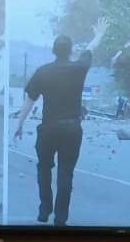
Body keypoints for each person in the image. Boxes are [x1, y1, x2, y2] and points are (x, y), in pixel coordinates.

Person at [14, 17, 109, 224]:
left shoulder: (43, 71)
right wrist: (99, 34)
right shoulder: (78, 68)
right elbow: (90, 49)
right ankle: (61, 216)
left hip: (48, 129)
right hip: (72, 129)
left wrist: (19, 124)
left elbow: (29, 101)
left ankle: (44, 209)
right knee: (66, 172)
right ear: (71, 50)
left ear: (54, 51)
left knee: (44, 168)